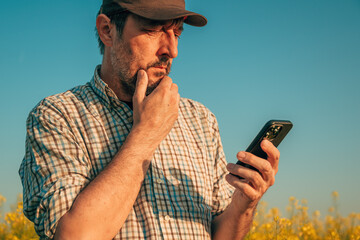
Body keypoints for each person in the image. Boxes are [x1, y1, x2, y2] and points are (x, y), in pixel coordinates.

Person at [19, 0, 280, 239]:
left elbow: (220, 234)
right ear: (107, 30)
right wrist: (145, 135)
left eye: (176, 32)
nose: (172, 50)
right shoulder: (57, 116)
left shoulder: (201, 119)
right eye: (154, 30)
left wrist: (244, 205)